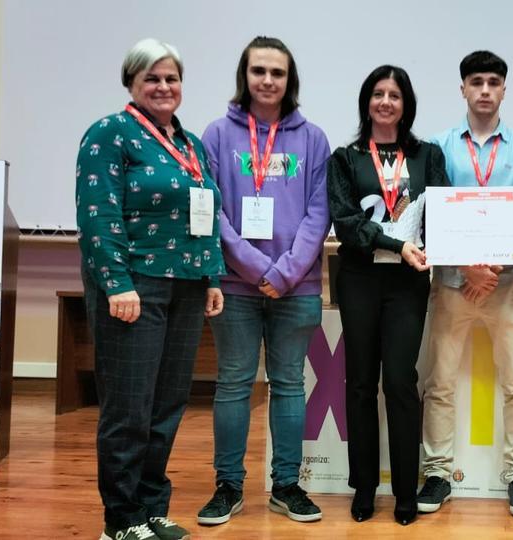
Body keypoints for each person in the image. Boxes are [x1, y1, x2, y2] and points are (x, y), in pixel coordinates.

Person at [76, 38, 225, 540]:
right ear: (132, 83)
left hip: (186, 287)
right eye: (152, 78)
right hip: (134, 287)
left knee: (166, 406)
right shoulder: (109, 134)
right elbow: (98, 217)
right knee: (129, 409)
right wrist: (116, 283)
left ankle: (150, 508)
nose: (163, 87)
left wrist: (213, 275)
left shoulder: (191, 144)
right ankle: (120, 521)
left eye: (171, 78)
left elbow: (207, 213)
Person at [195, 36, 330, 526]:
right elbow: (211, 210)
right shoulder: (215, 135)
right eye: (259, 71)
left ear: (289, 79)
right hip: (234, 285)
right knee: (233, 384)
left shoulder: (313, 139)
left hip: (297, 286)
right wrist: (257, 269)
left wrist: (287, 271)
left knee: (290, 384)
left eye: (277, 72)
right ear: (245, 76)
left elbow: (320, 213)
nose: (268, 80)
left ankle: (286, 485)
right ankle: (228, 486)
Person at [326, 65, 450, 526]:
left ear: (406, 104)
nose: (385, 102)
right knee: (359, 383)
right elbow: (346, 223)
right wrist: (397, 245)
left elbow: (441, 215)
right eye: (377, 94)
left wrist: (438, 249)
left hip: (408, 284)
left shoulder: (426, 156)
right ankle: (363, 486)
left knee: (400, 383)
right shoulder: (346, 158)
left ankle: (404, 489)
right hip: (359, 279)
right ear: (366, 102)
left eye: (394, 95)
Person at [418, 50, 513, 518]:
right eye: (476, 82)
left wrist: (488, 269)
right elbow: (436, 211)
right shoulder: (440, 145)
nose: (485, 90)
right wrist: (468, 267)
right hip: (451, 281)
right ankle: (437, 474)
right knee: (441, 381)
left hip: (505, 283)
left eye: (493, 82)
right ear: (463, 89)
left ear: (504, 89)